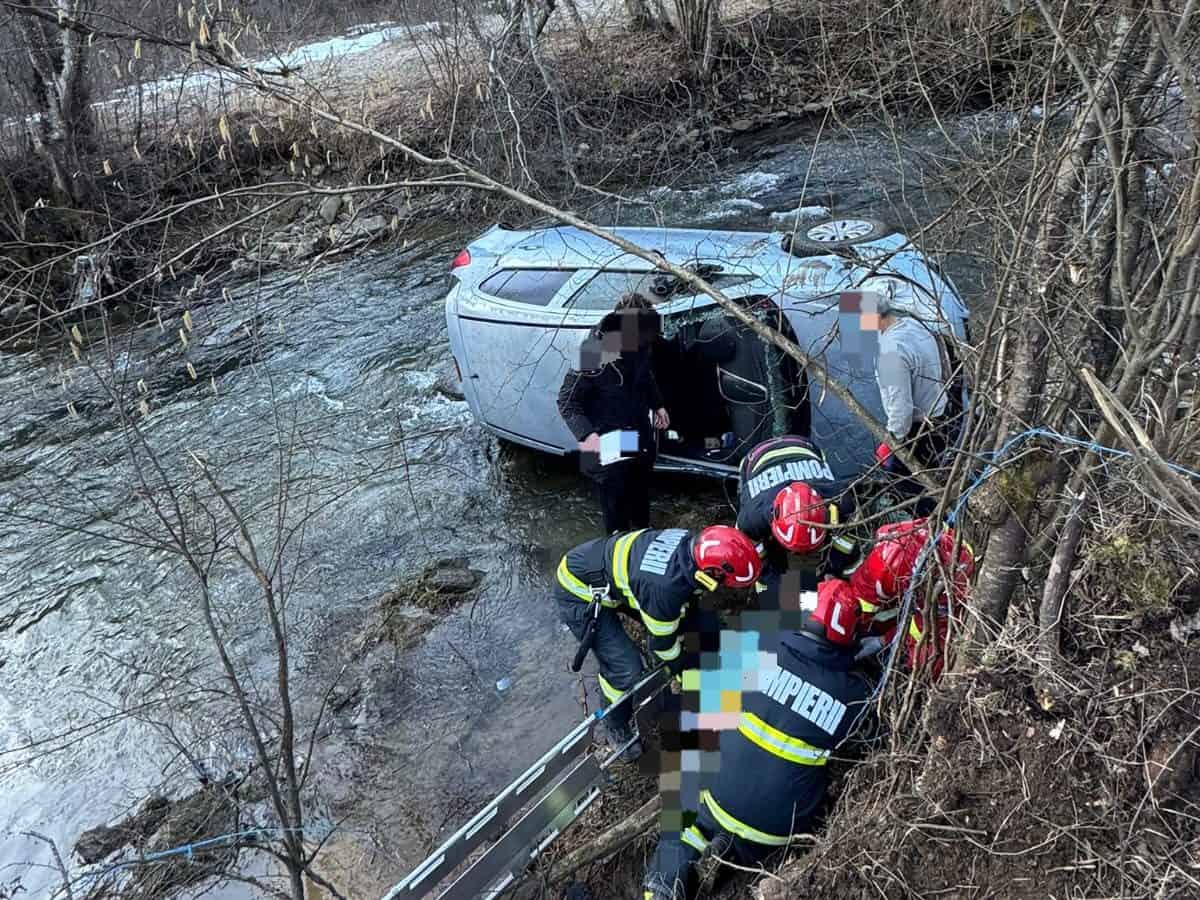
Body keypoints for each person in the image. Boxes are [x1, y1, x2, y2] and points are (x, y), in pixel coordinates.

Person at [642, 578, 873, 900]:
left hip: (718, 798)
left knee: (680, 827)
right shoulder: (855, 695)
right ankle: (733, 858)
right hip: (779, 828)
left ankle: (664, 887)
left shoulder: (759, 648)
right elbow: (867, 746)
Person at [555, 525, 762, 760]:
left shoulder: (692, 545)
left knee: (704, 623)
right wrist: (684, 675)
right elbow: (663, 647)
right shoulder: (664, 589)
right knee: (626, 668)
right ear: (711, 574)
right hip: (579, 590)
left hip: (614, 571)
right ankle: (615, 723)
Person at [557, 294, 671, 535]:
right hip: (607, 435)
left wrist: (658, 404)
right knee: (615, 495)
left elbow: (645, 377)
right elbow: (567, 401)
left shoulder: (641, 345)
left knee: (640, 487)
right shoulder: (592, 353)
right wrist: (587, 436)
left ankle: (643, 532)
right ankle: (616, 543)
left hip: (637, 428)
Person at [734, 435, 863, 608]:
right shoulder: (750, 519)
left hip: (806, 448)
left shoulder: (842, 501)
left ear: (827, 514)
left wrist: (833, 570)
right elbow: (751, 552)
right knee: (767, 570)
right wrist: (773, 580)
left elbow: (848, 540)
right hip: (755, 458)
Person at [851, 518, 975, 680]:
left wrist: (884, 641)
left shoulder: (951, 585)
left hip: (944, 594)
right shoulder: (894, 543)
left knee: (928, 660)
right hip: (921, 577)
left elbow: (927, 626)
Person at [872, 290, 956, 475]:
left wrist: (891, 442)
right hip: (941, 416)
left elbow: (901, 410)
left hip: (918, 435)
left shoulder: (890, 353)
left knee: (910, 488)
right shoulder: (913, 325)